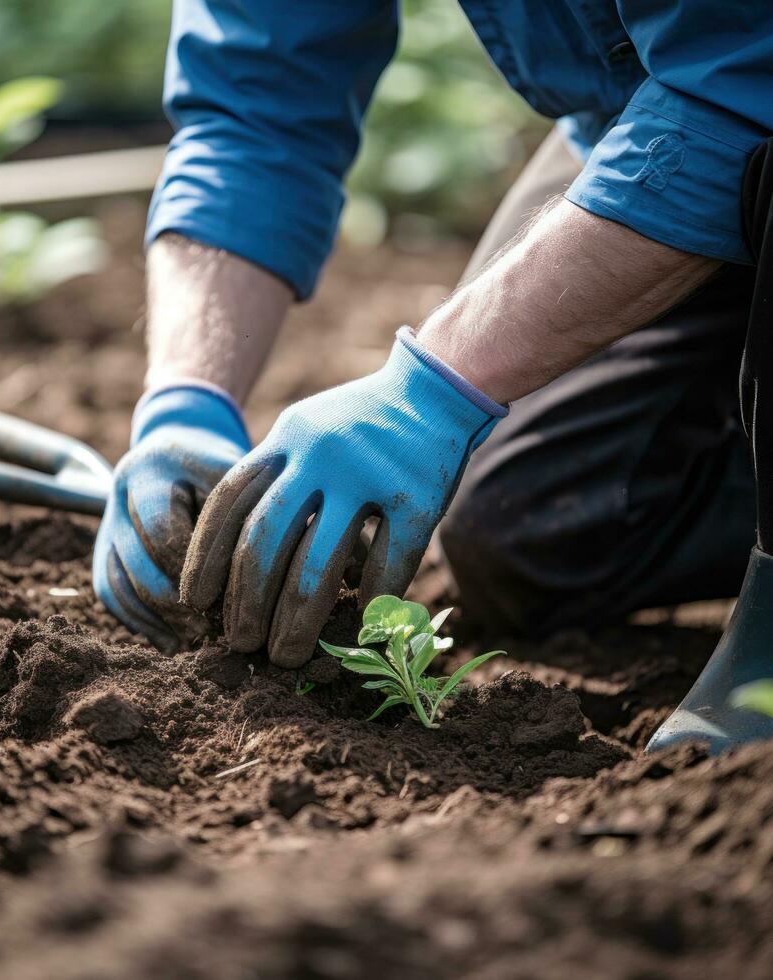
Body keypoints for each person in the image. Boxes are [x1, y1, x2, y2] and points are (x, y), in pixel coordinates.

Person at [92, 1, 773, 753]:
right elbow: (250, 111)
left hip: (747, 93)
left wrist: (435, 386)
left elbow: (746, 74)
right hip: (645, 121)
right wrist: (184, 401)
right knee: (530, 524)